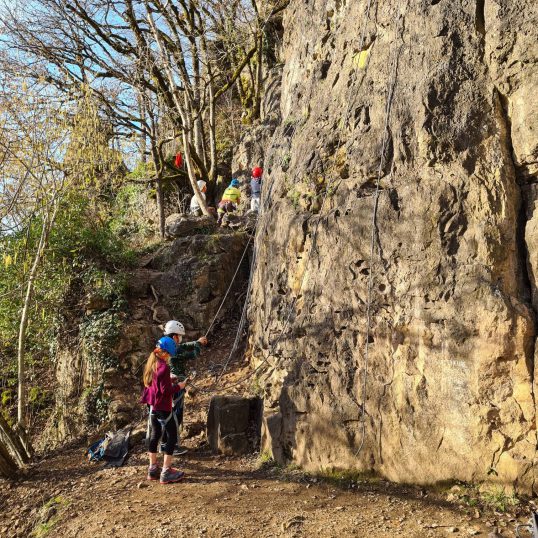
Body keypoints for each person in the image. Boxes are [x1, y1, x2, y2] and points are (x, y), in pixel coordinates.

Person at [140, 336, 186, 484]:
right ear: (165, 353)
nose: (170, 358)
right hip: (163, 407)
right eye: (169, 355)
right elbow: (166, 391)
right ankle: (166, 471)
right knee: (172, 435)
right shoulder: (164, 367)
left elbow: (156, 384)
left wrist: (169, 379)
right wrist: (180, 386)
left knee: (155, 434)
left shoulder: (152, 363)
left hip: (153, 406)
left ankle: (152, 469)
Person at [161, 320, 208, 455]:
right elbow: (193, 354)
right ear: (175, 336)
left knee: (168, 415)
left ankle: (164, 444)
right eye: (179, 336)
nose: (180, 339)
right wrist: (198, 346)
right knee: (176, 416)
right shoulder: (173, 352)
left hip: (168, 384)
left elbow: (184, 346)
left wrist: (197, 342)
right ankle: (173, 446)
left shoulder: (166, 346)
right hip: (176, 385)